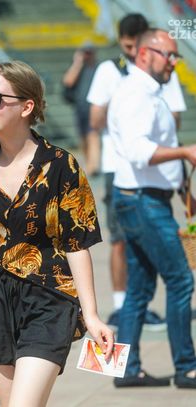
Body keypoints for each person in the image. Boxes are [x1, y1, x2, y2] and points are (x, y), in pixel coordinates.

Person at [0, 60, 114, 406]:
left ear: (27, 106)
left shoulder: (61, 165)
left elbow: (76, 244)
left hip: (48, 298)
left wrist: (91, 315)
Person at [86, 13, 186, 331]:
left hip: (150, 184)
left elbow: (170, 129)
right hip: (129, 182)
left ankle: (128, 355)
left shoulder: (160, 80)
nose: (129, 53)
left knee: (141, 281)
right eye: (127, 47)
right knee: (177, 277)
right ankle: (120, 309)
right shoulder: (120, 79)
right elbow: (101, 125)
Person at [108, 29, 196, 389]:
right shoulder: (136, 94)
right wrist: (185, 151)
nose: (173, 62)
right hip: (142, 200)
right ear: (144, 54)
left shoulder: (148, 92)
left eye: (176, 55)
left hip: (141, 198)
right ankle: (187, 367)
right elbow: (138, 151)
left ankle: (124, 370)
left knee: (138, 290)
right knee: (181, 280)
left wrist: (184, 192)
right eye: (168, 55)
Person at [61, 42, 98, 176]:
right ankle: (88, 162)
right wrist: (77, 63)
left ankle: (93, 166)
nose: (87, 55)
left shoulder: (99, 68)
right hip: (80, 107)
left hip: (93, 107)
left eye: (89, 52)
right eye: (85, 52)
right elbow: (68, 81)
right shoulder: (77, 68)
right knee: (83, 138)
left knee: (92, 135)